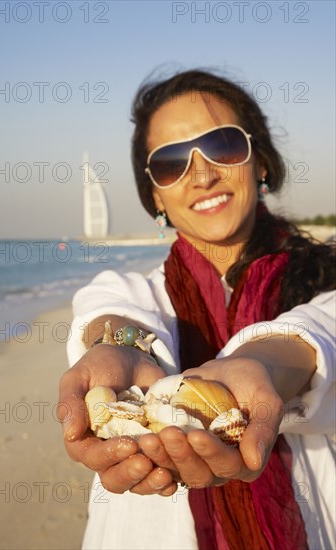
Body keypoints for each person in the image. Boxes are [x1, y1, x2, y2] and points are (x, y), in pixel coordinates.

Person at [59, 69, 335, 550]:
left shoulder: (325, 280)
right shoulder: (138, 291)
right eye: (171, 163)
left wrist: (264, 365)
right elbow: (111, 308)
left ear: (261, 162)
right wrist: (115, 343)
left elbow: (321, 331)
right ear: (156, 196)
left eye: (223, 145)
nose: (202, 173)